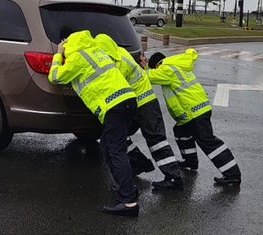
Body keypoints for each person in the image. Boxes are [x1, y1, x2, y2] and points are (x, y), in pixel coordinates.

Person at [49, 30, 139, 217]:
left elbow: (56, 76)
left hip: (115, 106)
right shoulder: (95, 52)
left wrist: (58, 54)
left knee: (115, 150)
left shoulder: (77, 58)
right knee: (107, 144)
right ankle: (126, 188)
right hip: (127, 101)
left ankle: (129, 202)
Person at [95, 34, 183, 191]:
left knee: (156, 141)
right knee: (116, 137)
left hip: (144, 104)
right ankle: (139, 164)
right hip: (135, 105)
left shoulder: (117, 63)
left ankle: (174, 178)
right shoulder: (121, 53)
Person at [141, 49, 242, 185]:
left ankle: (233, 175)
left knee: (208, 142)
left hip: (194, 113)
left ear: (157, 66)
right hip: (194, 112)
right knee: (180, 131)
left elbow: (147, 77)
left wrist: (139, 68)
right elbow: (153, 74)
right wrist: (146, 67)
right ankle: (190, 161)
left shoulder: (167, 70)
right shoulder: (175, 66)